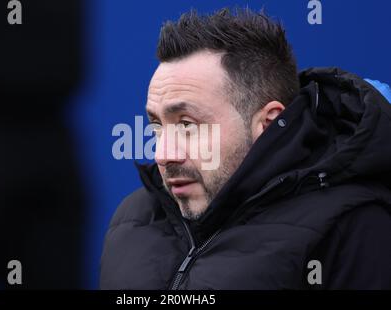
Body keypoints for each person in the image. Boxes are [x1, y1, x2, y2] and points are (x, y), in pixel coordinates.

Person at [100, 8, 391, 289]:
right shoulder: (134, 218)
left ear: (268, 123)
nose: (163, 155)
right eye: (157, 126)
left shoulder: (354, 226)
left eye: (187, 125)